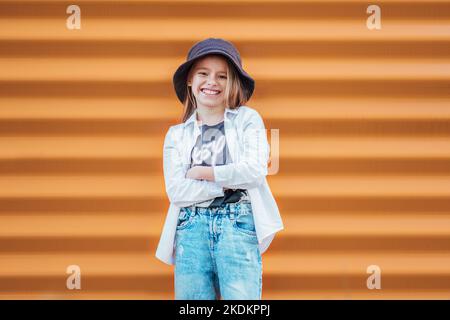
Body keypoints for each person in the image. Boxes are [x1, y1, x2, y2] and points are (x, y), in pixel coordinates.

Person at [155, 38, 284, 300]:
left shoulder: (248, 120)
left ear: (232, 83)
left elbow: (255, 171)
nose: (212, 82)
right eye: (203, 73)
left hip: (238, 225)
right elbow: (178, 191)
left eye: (222, 76)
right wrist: (228, 181)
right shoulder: (176, 135)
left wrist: (204, 173)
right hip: (191, 230)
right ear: (190, 80)